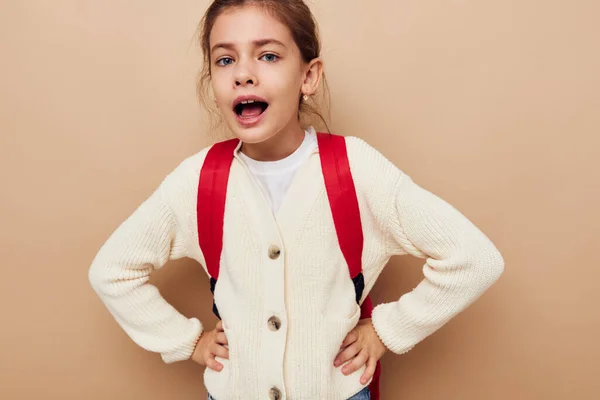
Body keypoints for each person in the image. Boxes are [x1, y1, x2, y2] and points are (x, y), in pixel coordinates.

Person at [88, 1, 505, 399]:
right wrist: (188, 341)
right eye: (225, 59)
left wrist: (386, 331)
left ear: (309, 76)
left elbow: (474, 258)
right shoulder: (198, 180)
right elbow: (112, 271)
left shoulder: (355, 168)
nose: (243, 74)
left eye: (267, 56)